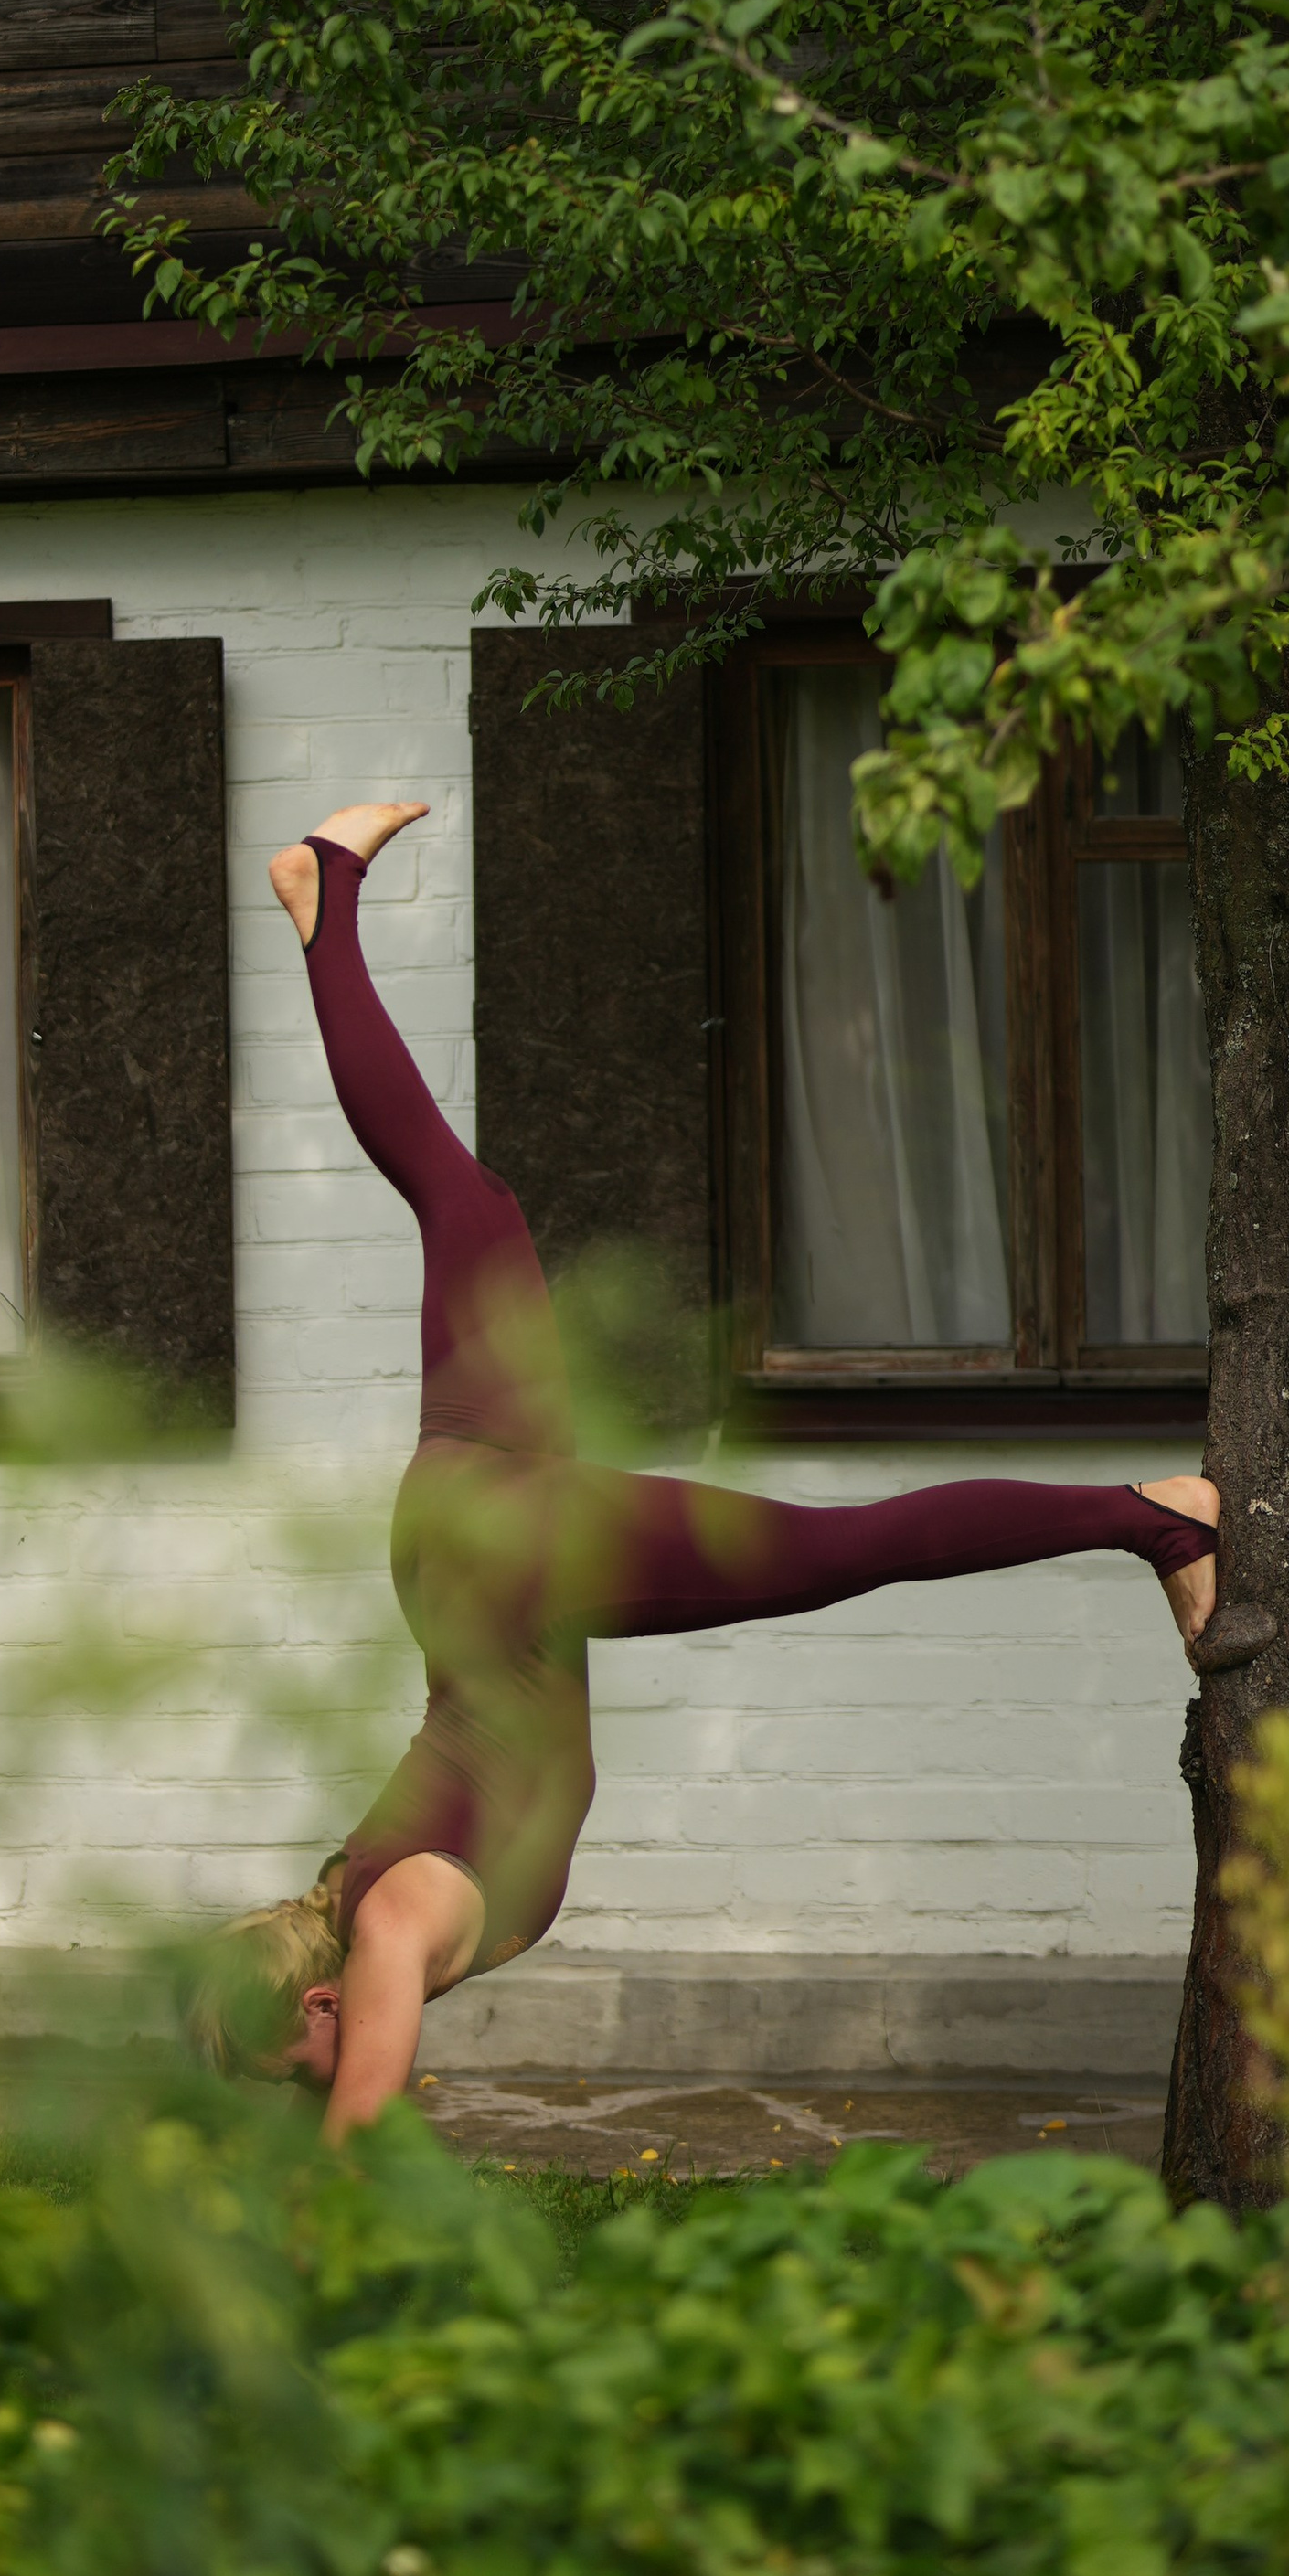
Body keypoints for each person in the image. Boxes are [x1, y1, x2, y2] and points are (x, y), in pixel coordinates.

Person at [184, 804, 1220, 2138]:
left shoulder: (389, 1919)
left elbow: (365, 2113)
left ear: (316, 2012)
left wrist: (304, 2231)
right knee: (471, 1207)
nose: (322, 2081)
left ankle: (1160, 1520)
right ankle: (325, 899)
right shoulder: (362, 1892)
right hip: (462, 1532)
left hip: (504, 1553)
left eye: (299, 2075)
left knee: (843, 1551)